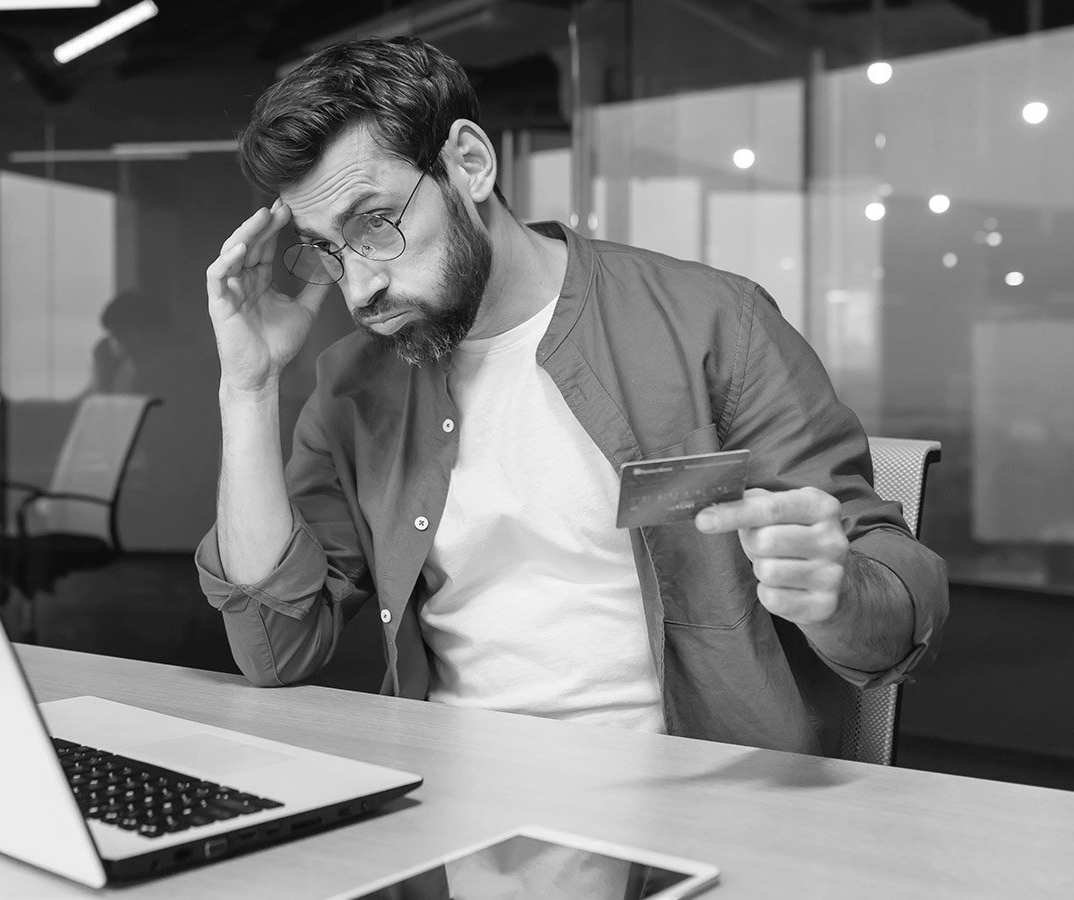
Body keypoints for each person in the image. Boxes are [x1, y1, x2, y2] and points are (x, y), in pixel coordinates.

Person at [196, 36, 947, 757]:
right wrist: (250, 385)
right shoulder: (353, 385)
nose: (360, 288)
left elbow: (888, 619)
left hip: (693, 800)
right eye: (328, 248)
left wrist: (838, 594)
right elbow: (276, 647)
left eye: (377, 223)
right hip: (454, 800)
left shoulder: (711, 326)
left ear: (469, 162)